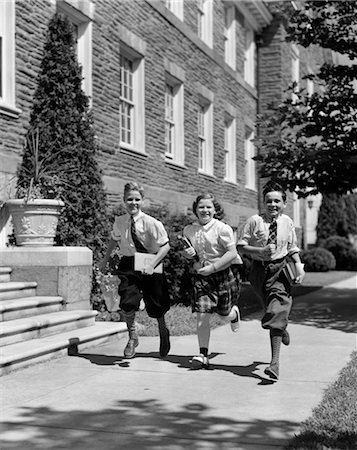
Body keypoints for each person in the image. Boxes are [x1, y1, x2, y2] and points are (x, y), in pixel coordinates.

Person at [237, 181, 305, 380]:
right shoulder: (254, 221)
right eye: (269, 201)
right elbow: (240, 246)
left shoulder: (287, 222)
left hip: (280, 270)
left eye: (277, 201)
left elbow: (292, 248)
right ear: (263, 202)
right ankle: (281, 327)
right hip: (259, 272)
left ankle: (274, 364)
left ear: (284, 203)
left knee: (276, 309)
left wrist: (298, 267)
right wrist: (259, 251)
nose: (273, 205)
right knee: (271, 310)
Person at [99, 181, 171, 359]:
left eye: (137, 199)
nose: (133, 203)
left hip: (151, 262)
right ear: (124, 200)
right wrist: (105, 259)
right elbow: (114, 240)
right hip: (129, 263)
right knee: (127, 299)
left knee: (156, 303)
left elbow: (165, 247)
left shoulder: (152, 223)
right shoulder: (120, 222)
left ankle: (163, 330)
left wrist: (152, 264)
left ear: (142, 201)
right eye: (129, 199)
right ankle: (132, 336)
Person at [182, 192, 242, 369]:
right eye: (201, 207)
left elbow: (232, 253)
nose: (205, 210)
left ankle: (234, 315)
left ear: (215, 210)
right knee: (202, 316)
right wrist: (188, 255)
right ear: (195, 210)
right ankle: (203, 354)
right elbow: (189, 255)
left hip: (222, 276)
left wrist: (214, 268)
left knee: (224, 314)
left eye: (209, 207)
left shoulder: (222, 229)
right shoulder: (189, 230)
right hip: (202, 279)